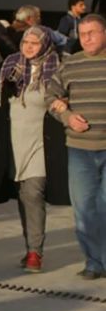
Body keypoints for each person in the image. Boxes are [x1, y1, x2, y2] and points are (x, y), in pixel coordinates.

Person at [0, 26, 69, 273]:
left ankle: (35, 253)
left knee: (33, 192)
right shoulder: (9, 66)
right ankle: (30, 248)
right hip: (13, 141)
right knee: (23, 195)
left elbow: (70, 96)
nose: (29, 47)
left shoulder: (59, 67)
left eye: (35, 43)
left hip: (42, 142)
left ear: (45, 44)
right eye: (26, 42)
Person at [45, 14, 106, 280]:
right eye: (82, 34)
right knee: (83, 209)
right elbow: (51, 96)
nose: (87, 38)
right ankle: (94, 262)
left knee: (104, 207)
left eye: (92, 32)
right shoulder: (71, 65)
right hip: (79, 149)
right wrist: (67, 116)